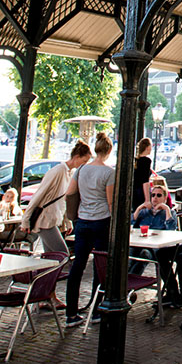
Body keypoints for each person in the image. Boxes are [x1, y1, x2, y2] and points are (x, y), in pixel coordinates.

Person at [64, 132, 116, 328]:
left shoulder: (81, 170)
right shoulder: (108, 172)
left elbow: (70, 192)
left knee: (78, 265)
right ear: (109, 151)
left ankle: (71, 313)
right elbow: (110, 201)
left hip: (83, 221)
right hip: (101, 220)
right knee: (99, 266)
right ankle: (96, 310)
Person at [20, 140, 92, 256]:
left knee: (51, 258)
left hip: (51, 219)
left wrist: (67, 221)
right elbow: (38, 195)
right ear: (77, 157)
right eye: (84, 161)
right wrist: (25, 220)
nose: (84, 164)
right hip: (45, 220)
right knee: (62, 255)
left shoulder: (69, 172)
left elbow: (64, 200)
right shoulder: (59, 171)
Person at [131, 185, 180, 303]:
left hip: (158, 247)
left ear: (164, 198)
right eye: (153, 195)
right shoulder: (144, 212)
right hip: (141, 243)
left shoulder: (169, 212)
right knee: (130, 254)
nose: (155, 198)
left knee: (150, 255)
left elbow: (171, 230)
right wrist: (139, 208)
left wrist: (167, 209)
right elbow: (131, 224)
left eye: (159, 195)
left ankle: (129, 285)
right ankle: (127, 285)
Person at [132, 137, 154, 215]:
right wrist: (147, 200)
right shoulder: (146, 161)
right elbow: (145, 181)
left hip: (134, 191)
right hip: (141, 191)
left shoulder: (135, 160)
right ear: (147, 147)